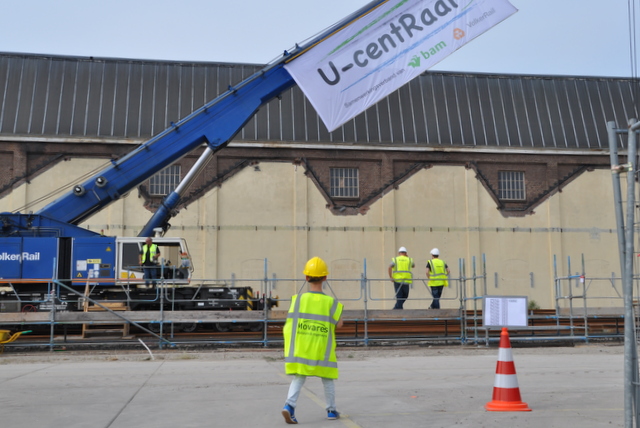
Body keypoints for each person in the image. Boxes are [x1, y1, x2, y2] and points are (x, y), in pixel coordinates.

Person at [282, 256, 344, 424]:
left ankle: (289, 405)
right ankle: (331, 411)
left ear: (306, 277)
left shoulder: (298, 300)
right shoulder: (330, 302)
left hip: (302, 349)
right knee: (327, 379)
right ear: (325, 278)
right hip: (322, 350)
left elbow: (289, 325)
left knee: (299, 377)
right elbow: (339, 325)